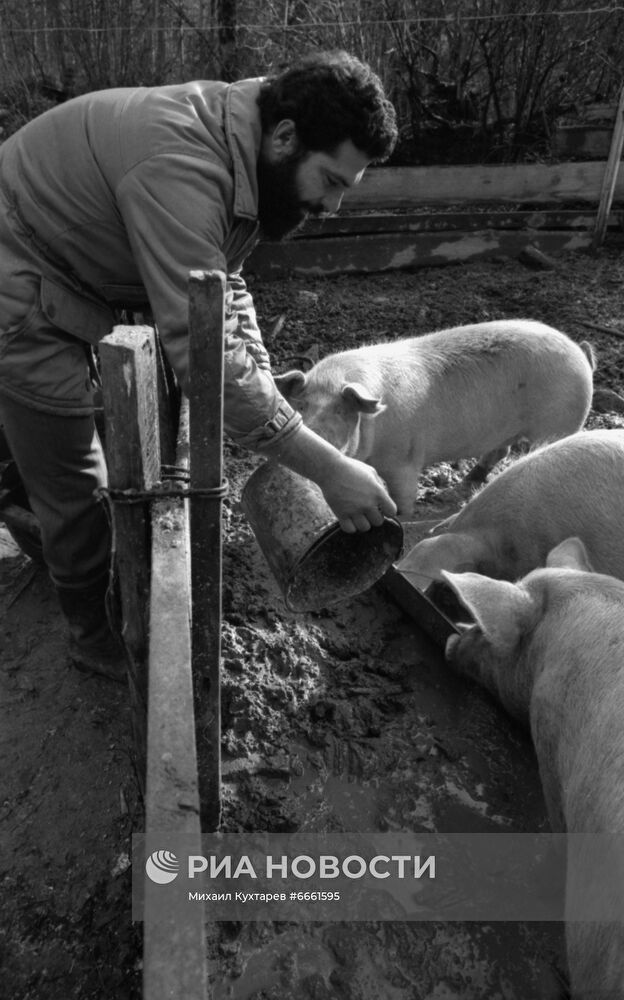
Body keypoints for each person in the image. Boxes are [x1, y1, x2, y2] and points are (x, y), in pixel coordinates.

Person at [0, 50, 399, 680]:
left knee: (54, 449)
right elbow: (202, 354)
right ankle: (91, 634)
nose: (333, 208)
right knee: (80, 484)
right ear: (288, 137)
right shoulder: (184, 164)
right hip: (17, 275)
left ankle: (21, 479)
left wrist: (265, 381)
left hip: (67, 270)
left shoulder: (241, 139)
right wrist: (328, 468)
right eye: (331, 182)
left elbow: (223, 285)